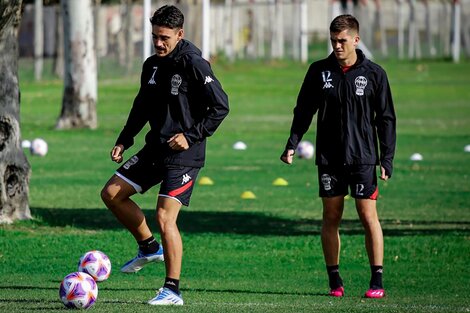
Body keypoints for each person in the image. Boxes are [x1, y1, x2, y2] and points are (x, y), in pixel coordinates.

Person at [101, 5, 229, 306]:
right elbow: (142, 105)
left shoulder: (195, 64)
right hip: (156, 148)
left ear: (180, 34)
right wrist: (124, 139)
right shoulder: (152, 65)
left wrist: (191, 135)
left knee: (164, 216)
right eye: (155, 36)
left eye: (165, 38)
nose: (159, 43)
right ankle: (148, 248)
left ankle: (172, 290)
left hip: (186, 154)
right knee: (111, 194)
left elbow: (221, 107)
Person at [280, 14, 396, 299]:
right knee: (331, 215)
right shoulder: (319, 71)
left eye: (342, 40)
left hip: (363, 158)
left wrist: (387, 158)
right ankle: (334, 279)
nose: (337, 46)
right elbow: (304, 110)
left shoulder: (374, 74)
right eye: (333, 41)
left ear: (356, 40)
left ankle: (377, 279)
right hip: (330, 157)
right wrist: (292, 142)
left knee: (368, 216)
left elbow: (386, 119)